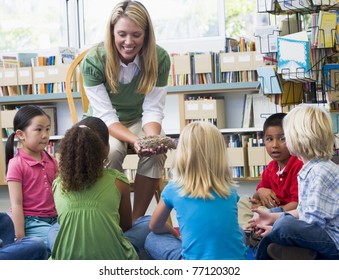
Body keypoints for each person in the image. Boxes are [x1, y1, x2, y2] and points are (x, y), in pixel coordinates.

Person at [81, 0, 171, 222]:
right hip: (103, 123)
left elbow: (152, 110)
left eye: (136, 35)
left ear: (146, 34)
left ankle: (133, 222)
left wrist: (150, 139)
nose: (129, 42)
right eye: (122, 34)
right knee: (110, 153)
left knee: (155, 151)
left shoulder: (159, 59)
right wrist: (134, 140)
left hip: (138, 118)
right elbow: (106, 117)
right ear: (111, 32)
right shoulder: (94, 60)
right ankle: (114, 219)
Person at [47, 117, 151, 260]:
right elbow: (125, 226)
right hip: (114, 258)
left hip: (66, 259)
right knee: (147, 222)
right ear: (106, 148)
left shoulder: (58, 183)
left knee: (54, 229)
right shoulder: (118, 181)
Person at [144, 121, 247, 260]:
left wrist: (176, 235)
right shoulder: (230, 190)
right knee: (239, 231)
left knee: (152, 238)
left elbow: (155, 225)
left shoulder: (173, 189)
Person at [248, 105, 339, 260]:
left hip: (332, 241)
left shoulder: (320, 172)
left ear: (300, 138)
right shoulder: (309, 169)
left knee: (284, 225)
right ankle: (282, 247)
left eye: (285, 137)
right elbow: (303, 211)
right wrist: (271, 217)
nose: (279, 143)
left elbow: (311, 223)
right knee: (275, 218)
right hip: (317, 232)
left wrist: (275, 228)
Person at [238, 113, 303, 232]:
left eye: (282, 139)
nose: (275, 145)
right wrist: (261, 191)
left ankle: (257, 231)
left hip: (288, 214)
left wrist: (272, 213)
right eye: (269, 139)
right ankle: (248, 232)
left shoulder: (298, 165)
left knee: (263, 212)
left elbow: (297, 204)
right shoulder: (271, 167)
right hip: (270, 209)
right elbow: (255, 197)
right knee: (243, 202)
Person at [5, 105, 58, 246]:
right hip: (32, 222)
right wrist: (21, 239)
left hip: (55, 219)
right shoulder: (16, 164)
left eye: (47, 129)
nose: (45, 135)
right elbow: (16, 204)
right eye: (39, 129)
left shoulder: (52, 160)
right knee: (60, 241)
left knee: (73, 238)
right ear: (21, 134)